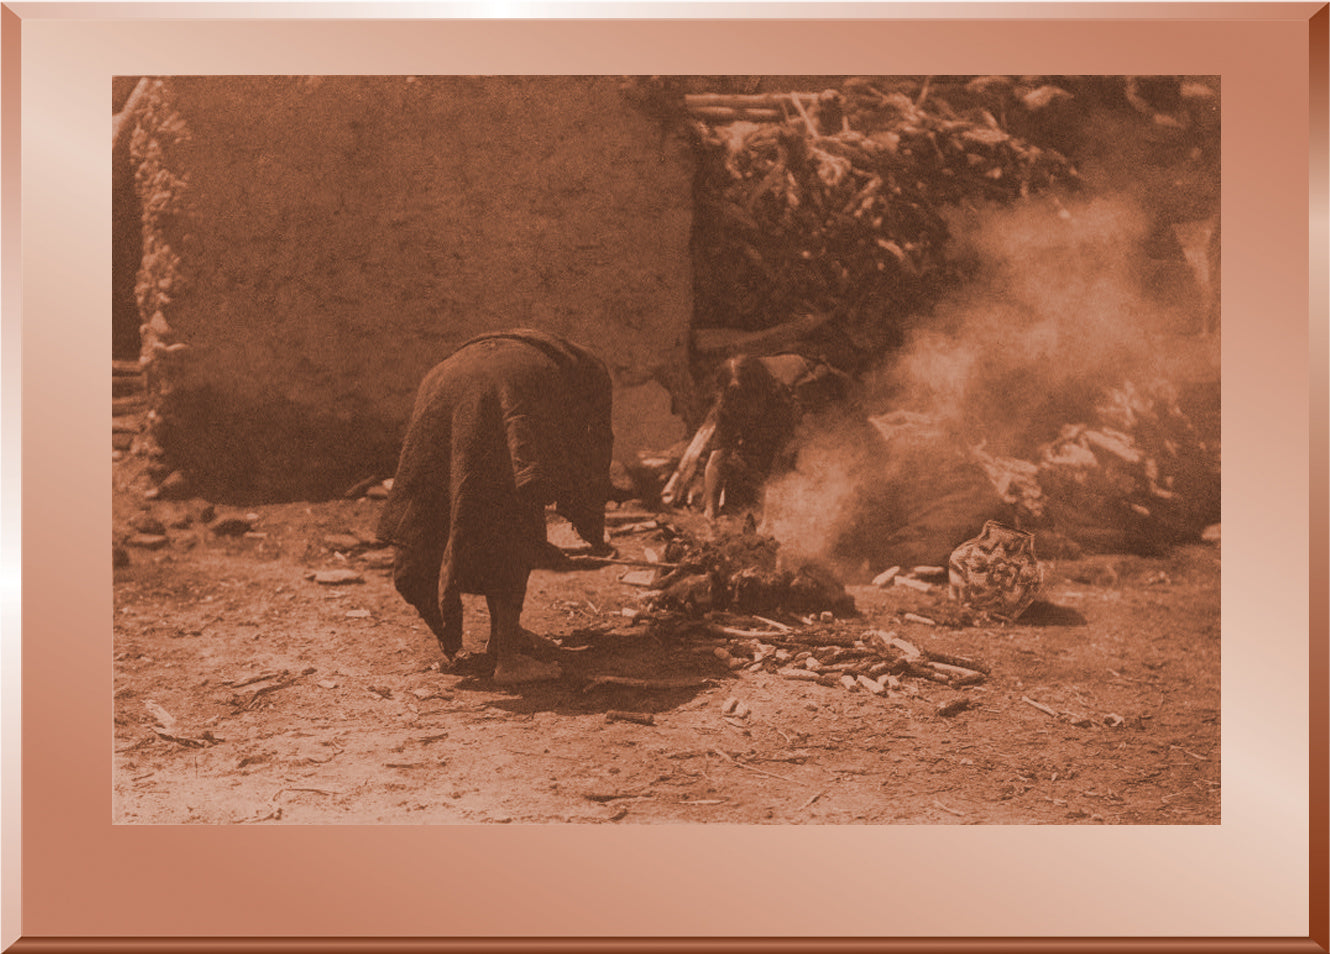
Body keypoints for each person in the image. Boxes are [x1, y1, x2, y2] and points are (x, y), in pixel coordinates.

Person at [377, 329, 614, 685]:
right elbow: (590, 449)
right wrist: (588, 518)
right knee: (514, 518)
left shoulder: (506, 355)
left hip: (441, 384)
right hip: (501, 392)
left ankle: (497, 637)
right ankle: (508, 659)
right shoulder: (580, 376)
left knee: (434, 508)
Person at [701, 352, 846, 521]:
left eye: (750, 399)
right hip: (775, 416)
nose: (745, 407)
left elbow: (780, 467)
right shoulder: (730, 405)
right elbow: (717, 460)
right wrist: (710, 511)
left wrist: (768, 522)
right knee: (740, 464)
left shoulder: (785, 398)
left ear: (761, 390)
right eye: (739, 401)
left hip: (824, 396)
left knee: (811, 458)